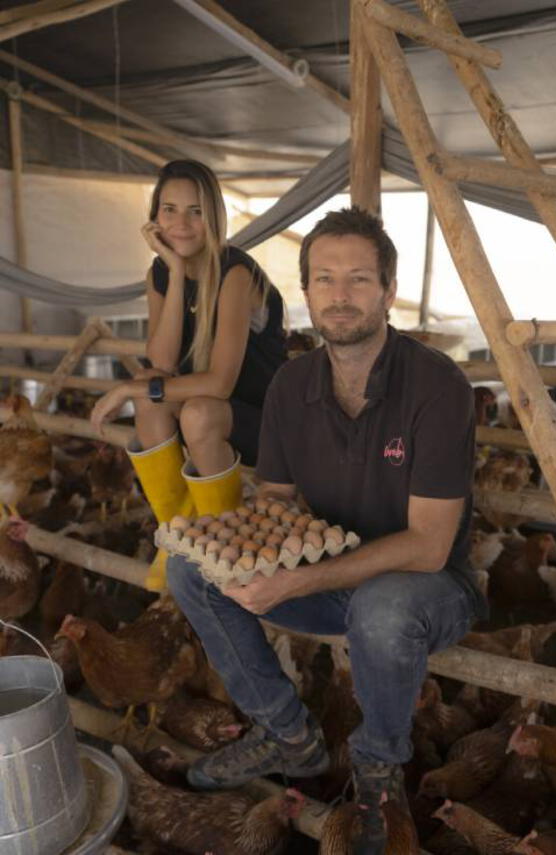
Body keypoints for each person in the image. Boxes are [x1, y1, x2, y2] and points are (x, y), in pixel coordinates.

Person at [167, 206, 486, 854]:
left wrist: (298, 576)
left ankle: (378, 768)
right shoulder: (291, 384)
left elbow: (428, 546)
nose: (340, 296)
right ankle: (286, 731)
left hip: (426, 587)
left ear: (389, 291)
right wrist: (245, 554)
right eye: (325, 278)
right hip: (331, 575)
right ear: (306, 290)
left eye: (359, 279)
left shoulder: (437, 385)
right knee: (188, 568)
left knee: (384, 607)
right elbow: (278, 501)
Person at [90, 160, 286, 590]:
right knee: (151, 396)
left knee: (192, 410)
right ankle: (178, 535)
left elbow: (220, 384)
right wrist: (175, 272)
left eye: (196, 211)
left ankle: (222, 542)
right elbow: (159, 362)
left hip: (266, 421)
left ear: (213, 215)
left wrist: (128, 385)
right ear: (155, 216)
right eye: (170, 209)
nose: (182, 223)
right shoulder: (160, 273)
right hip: (210, 412)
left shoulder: (236, 273)